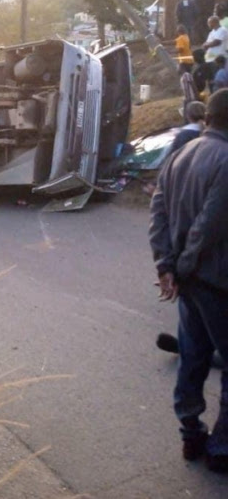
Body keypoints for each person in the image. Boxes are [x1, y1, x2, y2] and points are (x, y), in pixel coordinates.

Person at [149, 89, 228, 472]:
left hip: (190, 281)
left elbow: (158, 213)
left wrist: (166, 264)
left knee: (193, 357)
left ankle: (191, 433)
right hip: (215, 279)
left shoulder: (180, 154)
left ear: (208, 117)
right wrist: (180, 265)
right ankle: (222, 447)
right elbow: (208, 225)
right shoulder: (226, 160)